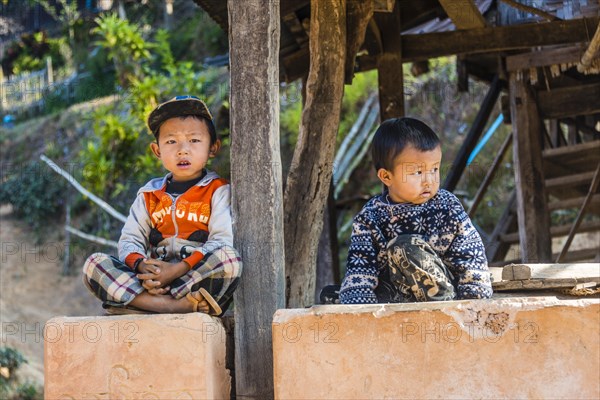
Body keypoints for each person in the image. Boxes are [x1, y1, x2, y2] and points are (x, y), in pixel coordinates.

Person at [83, 95, 242, 316]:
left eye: (194, 140)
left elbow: (220, 241)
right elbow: (130, 241)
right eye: (171, 141)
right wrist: (144, 268)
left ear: (213, 148)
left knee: (229, 258)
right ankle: (171, 307)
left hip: (191, 281)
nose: (182, 150)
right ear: (157, 150)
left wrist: (178, 269)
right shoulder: (149, 195)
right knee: (95, 265)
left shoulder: (217, 190)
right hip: (152, 283)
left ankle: (140, 305)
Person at [339, 117, 492, 304]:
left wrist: (474, 294)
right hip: (393, 298)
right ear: (386, 176)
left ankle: (441, 306)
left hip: (441, 293)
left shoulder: (446, 206)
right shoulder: (370, 216)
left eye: (434, 169)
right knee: (336, 294)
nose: (429, 180)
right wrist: (357, 304)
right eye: (418, 172)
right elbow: (360, 266)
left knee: (404, 247)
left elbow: (469, 251)